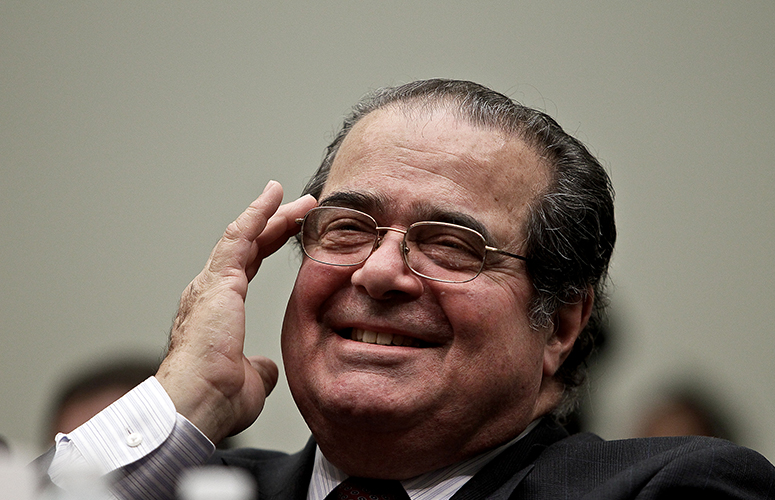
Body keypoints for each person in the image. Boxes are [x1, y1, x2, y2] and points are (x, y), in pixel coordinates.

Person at [40, 79, 774, 499]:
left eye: (450, 245)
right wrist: (181, 401)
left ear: (558, 324)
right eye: (346, 229)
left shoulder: (674, 490)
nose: (378, 271)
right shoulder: (183, 488)